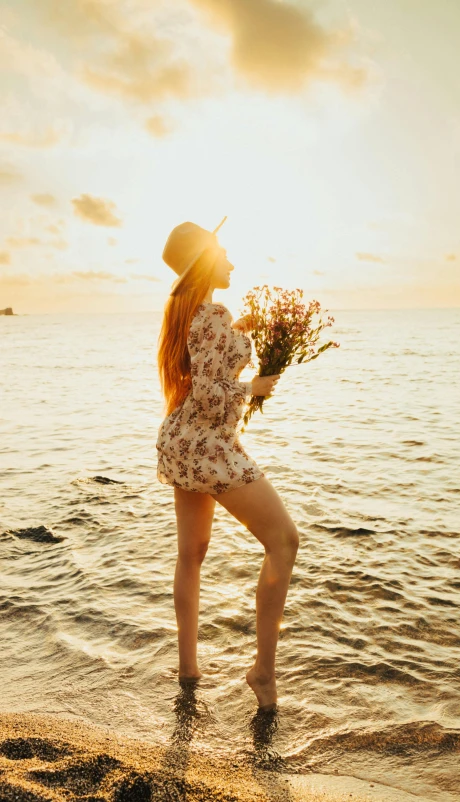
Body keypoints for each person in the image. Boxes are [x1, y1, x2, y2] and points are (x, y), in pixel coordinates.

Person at [156, 220, 299, 710]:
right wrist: (252, 389)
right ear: (205, 260)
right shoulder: (212, 312)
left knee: (191, 554)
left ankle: (188, 668)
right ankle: (262, 672)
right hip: (209, 445)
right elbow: (211, 394)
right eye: (224, 254)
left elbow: (201, 369)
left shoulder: (184, 311)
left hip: (182, 440)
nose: (233, 262)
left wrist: (245, 332)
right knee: (285, 540)